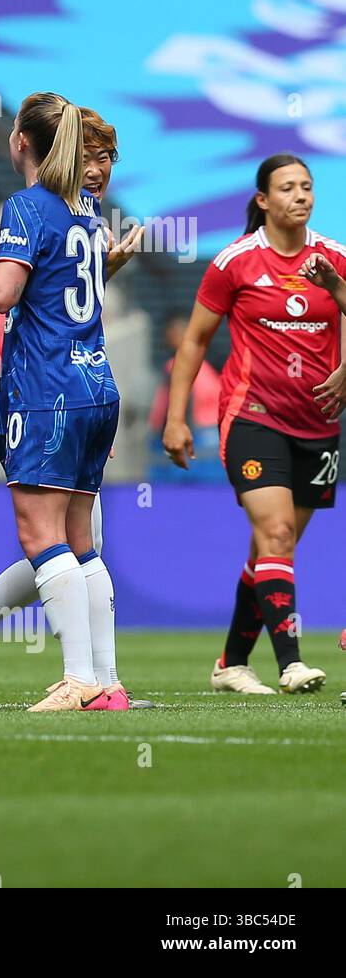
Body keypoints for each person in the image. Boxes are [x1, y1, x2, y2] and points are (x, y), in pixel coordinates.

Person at [0, 107, 146, 709]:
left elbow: (2, 295)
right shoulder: (85, 210)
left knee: (40, 536)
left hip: (46, 392)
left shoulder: (27, 206)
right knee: (82, 543)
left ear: (19, 141)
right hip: (96, 384)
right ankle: (105, 684)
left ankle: (78, 679)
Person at [163, 153, 335, 696]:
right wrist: (176, 418)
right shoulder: (235, 262)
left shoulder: (333, 259)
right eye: (287, 187)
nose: (300, 196)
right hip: (253, 416)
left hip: (319, 424)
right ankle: (290, 663)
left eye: (306, 187)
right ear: (263, 200)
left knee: (270, 550)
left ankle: (231, 664)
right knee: (277, 533)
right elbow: (193, 340)